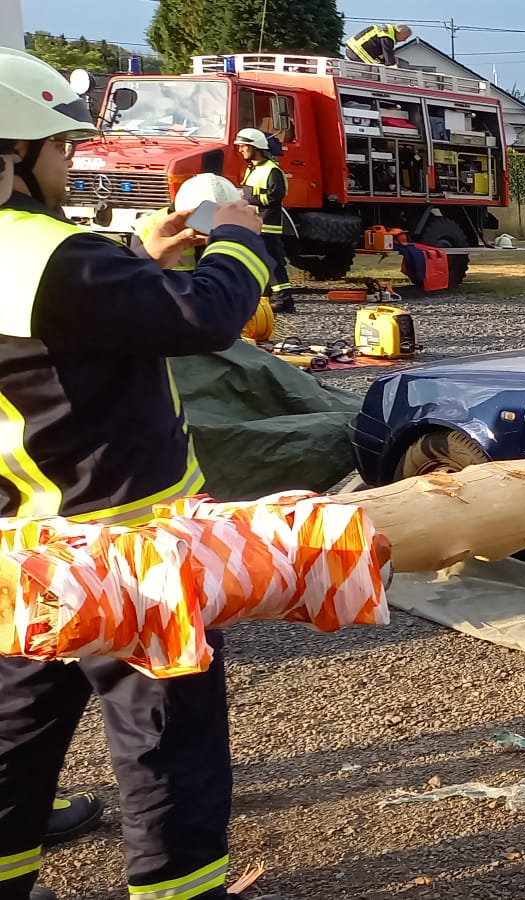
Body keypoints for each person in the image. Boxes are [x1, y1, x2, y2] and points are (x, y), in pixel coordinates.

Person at [0, 46, 272, 900]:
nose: (68, 162)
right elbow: (206, 316)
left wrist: (138, 262)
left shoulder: (45, 262)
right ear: (13, 153)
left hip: (27, 546)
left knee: (15, 730)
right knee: (167, 743)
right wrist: (239, 240)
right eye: (59, 147)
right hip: (125, 551)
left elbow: (58, 336)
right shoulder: (50, 256)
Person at [235, 128, 293, 312]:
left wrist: (249, 198)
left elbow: (275, 196)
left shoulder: (272, 170)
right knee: (259, 262)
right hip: (253, 224)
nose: (240, 150)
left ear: (256, 147)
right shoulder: (252, 169)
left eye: (244, 146)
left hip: (267, 225)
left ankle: (284, 300)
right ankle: (266, 297)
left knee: (272, 262)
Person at [344, 23, 413, 67]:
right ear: (400, 32)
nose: (404, 40)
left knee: (379, 66)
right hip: (358, 52)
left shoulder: (385, 31)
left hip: (352, 49)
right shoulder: (387, 36)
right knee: (377, 71)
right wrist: (394, 69)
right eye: (405, 37)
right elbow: (388, 56)